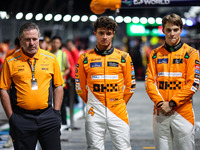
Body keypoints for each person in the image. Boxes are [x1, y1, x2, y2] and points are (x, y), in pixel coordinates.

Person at [0, 22, 64, 150]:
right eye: (27, 40)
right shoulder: (11, 61)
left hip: (48, 117)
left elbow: (58, 86)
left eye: (35, 39)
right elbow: (3, 89)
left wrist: (56, 112)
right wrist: (11, 117)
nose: (32, 43)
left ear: (39, 38)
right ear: (21, 40)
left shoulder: (50, 59)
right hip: (22, 118)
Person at [75, 16, 136, 150]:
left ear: (113, 34)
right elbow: (79, 87)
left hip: (118, 109)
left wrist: (120, 102)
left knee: (123, 147)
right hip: (94, 110)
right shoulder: (85, 58)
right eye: (101, 33)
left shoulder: (124, 57)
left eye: (108, 33)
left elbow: (131, 85)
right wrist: (92, 102)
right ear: (95, 33)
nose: (105, 37)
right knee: (94, 147)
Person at [145, 13, 200, 150]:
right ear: (163, 30)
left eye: (175, 29)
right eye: (168, 30)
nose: (172, 33)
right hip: (160, 111)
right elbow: (149, 82)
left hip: (183, 112)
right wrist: (160, 103)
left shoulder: (192, 53)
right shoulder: (155, 54)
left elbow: (193, 83)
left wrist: (172, 103)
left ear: (181, 30)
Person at [51, 36, 70, 129]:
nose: (55, 44)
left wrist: (61, 76)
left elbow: (68, 68)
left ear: (60, 44)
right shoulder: (47, 54)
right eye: (54, 42)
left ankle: (63, 122)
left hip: (60, 83)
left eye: (57, 42)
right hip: (49, 83)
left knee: (61, 103)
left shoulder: (63, 54)